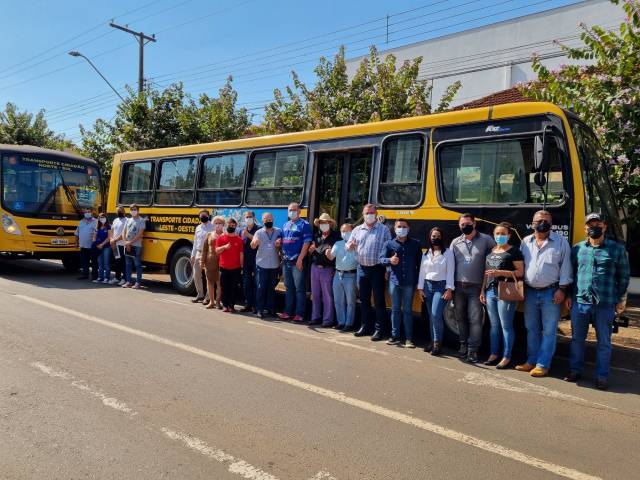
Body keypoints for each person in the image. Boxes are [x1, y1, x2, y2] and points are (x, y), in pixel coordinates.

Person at [565, 213, 630, 390]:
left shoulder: (617, 250)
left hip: (606, 303)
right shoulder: (577, 249)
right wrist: (569, 295)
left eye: (597, 224)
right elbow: (571, 274)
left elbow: (623, 277)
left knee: (604, 342)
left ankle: (601, 377)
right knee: (577, 339)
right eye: (590, 224)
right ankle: (575, 370)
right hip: (580, 302)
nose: (593, 227)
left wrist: (618, 299)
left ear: (604, 226)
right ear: (585, 228)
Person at [517, 210, 573, 377]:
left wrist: (562, 290)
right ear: (533, 223)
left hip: (551, 293)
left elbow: (566, 268)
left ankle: (543, 364)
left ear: (551, 224)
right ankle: (531, 361)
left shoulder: (561, 242)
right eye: (539, 220)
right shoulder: (526, 241)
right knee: (531, 329)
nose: (543, 223)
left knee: (549, 330)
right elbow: (521, 266)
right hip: (530, 293)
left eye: (547, 221)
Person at [450, 213, 495, 363]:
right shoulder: (455, 242)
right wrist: (449, 287)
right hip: (458, 286)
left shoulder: (486, 240)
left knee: (475, 319)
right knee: (460, 318)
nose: (465, 226)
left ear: (474, 224)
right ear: (459, 226)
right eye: (462, 224)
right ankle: (463, 345)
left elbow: (495, 258)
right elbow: (450, 266)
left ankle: (473, 350)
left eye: (468, 223)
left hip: (476, 287)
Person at [480, 222, 524, 369]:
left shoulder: (514, 251)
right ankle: (494, 353)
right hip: (490, 291)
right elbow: (486, 274)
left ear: (509, 235)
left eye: (503, 234)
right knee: (494, 326)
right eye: (497, 233)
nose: (500, 236)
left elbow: (520, 272)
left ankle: (506, 356)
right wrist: (482, 291)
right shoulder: (492, 251)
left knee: (506, 325)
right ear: (493, 235)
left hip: (506, 291)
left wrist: (500, 273)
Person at [347, 204, 391, 341]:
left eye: (372, 212)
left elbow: (390, 250)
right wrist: (350, 246)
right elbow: (348, 245)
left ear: (376, 213)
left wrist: (387, 269)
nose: (369, 215)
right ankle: (365, 326)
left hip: (378, 269)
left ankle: (379, 330)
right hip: (362, 269)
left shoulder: (384, 230)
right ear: (363, 214)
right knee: (364, 299)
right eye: (367, 213)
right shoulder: (357, 229)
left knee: (379, 300)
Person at [380, 219, 422, 348]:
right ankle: (395, 336)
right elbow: (381, 259)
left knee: (408, 311)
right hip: (394, 282)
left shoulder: (415, 244)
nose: (401, 228)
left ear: (408, 228)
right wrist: (389, 260)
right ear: (394, 228)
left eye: (404, 226)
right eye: (399, 226)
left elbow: (420, 264)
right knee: (395, 310)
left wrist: (418, 283)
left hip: (409, 282)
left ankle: (409, 339)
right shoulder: (389, 244)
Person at [417, 227, 454, 356]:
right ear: (430, 237)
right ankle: (432, 342)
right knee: (431, 316)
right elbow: (422, 271)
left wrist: (449, 289)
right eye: (433, 236)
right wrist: (420, 288)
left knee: (435, 314)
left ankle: (438, 344)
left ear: (442, 237)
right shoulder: (426, 253)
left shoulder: (448, 253)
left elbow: (451, 271)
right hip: (427, 286)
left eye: (438, 236)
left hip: (441, 286)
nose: (435, 238)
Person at [279, 203, 312, 322]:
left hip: (297, 261)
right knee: (289, 288)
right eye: (290, 210)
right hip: (287, 260)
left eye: (294, 210)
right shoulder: (286, 224)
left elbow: (307, 242)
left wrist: (300, 259)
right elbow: (282, 239)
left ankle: (299, 314)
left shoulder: (304, 225)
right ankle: (287, 312)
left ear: (299, 212)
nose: (292, 212)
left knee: (299, 289)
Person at [309, 213, 340, 327]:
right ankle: (315, 317)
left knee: (327, 295)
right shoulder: (316, 236)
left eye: (325, 223)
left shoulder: (336, 237)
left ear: (330, 224)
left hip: (327, 269)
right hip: (315, 268)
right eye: (321, 223)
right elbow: (312, 251)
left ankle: (327, 320)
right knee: (315, 294)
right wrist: (311, 250)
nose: (323, 225)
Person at [326, 223, 358, 332]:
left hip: (351, 275)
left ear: (353, 232)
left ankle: (349, 324)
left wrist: (355, 248)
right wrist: (328, 253)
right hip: (338, 274)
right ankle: (341, 322)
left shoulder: (357, 243)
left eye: (347, 231)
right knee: (338, 300)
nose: (345, 233)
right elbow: (331, 257)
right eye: (343, 231)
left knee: (350, 301)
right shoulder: (338, 243)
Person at [251, 212, 283, 319]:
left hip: (274, 265)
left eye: (270, 219)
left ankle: (270, 309)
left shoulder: (279, 231)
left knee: (271, 288)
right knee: (261, 288)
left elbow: (284, 241)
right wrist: (254, 242)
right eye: (266, 219)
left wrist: (280, 241)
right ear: (263, 221)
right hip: (262, 265)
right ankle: (259, 309)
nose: (268, 221)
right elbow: (253, 245)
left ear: (273, 219)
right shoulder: (259, 232)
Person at [215, 218, 244, 313]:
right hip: (223, 267)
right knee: (224, 287)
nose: (231, 227)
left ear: (235, 226)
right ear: (226, 226)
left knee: (234, 288)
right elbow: (217, 250)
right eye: (229, 225)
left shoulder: (239, 240)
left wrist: (241, 266)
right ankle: (225, 305)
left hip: (235, 268)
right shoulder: (221, 238)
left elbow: (241, 254)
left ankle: (232, 306)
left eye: (233, 225)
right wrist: (224, 247)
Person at [201, 216, 225, 309]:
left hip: (221, 262)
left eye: (220, 223)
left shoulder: (225, 235)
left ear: (223, 225)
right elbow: (205, 249)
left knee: (219, 283)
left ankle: (218, 302)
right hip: (209, 261)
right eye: (216, 223)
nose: (218, 225)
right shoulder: (209, 234)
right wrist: (202, 262)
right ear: (213, 225)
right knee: (210, 282)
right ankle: (211, 302)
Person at [191, 209, 214, 304]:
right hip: (198, 253)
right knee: (196, 274)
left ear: (208, 216)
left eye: (204, 215)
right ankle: (200, 294)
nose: (202, 217)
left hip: (208, 253)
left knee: (208, 276)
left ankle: (208, 297)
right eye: (201, 216)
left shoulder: (212, 227)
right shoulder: (198, 228)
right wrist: (192, 254)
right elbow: (195, 242)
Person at [122, 204, 146, 289]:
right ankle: (128, 282)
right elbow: (123, 232)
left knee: (137, 265)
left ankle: (138, 282)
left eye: (135, 209)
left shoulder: (141, 220)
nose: (133, 211)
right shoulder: (128, 220)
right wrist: (125, 242)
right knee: (128, 264)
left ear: (138, 210)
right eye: (131, 209)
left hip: (136, 246)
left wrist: (130, 243)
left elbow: (140, 234)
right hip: (127, 245)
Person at [241, 211, 259, 313]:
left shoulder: (259, 229)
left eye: (250, 217)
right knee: (246, 284)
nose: (248, 219)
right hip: (246, 261)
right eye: (247, 217)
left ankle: (256, 306)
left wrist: (248, 235)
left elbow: (260, 242)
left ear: (254, 217)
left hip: (257, 261)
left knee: (257, 284)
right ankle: (248, 304)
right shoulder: (242, 230)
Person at [75, 209, 97, 280]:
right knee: (84, 261)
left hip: (92, 246)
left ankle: (94, 276)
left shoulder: (96, 221)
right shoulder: (81, 222)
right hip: (83, 245)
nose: (87, 213)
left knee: (94, 262)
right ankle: (85, 274)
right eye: (86, 212)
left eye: (89, 212)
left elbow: (98, 232)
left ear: (92, 212)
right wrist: (76, 242)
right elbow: (77, 233)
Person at [109, 206, 127, 286]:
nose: (119, 212)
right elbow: (112, 231)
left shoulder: (127, 220)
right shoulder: (115, 220)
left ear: (124, 211)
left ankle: (124, 278)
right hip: (115, 245)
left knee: (123, 262)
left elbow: (125, 233)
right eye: (117, 211)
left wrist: (115, 240)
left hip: (122, 245)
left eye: (120, 211)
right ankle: (117, 277)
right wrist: (111, 241)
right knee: (117, 261)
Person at [92, 213, 112, 284]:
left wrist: (102, 244)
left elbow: (109, 237)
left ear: (106, 218)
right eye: (100, 217)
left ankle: (107, 278)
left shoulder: (109, 227)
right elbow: (94, 237)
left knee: (106, 263)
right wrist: (96, 244)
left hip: (106, 247)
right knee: (100, 263)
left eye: (103, 217)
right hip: (98, 247)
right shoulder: (97, 227)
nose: (102, 218)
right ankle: (100, 277)